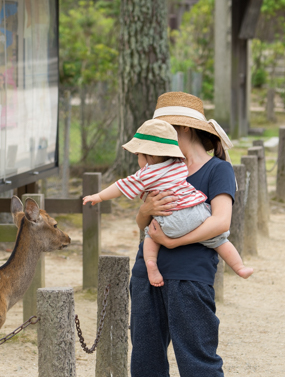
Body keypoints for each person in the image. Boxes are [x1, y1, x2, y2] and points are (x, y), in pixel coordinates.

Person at [122, 92, 238, 377]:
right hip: (147, 272)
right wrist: (146, 211)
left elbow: (221, 222)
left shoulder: (217, 170)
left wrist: (175, 241)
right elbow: (142, 223)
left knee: (197, 357)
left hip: (190, 277)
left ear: (185, 129)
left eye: (166, 127)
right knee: (145, 357)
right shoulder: (158, 166)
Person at [82, 119, 252, 286]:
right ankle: (239, 267)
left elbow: (120, 186)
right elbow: (141, 221)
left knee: (151, 235)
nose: (138, 161)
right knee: (221, 241)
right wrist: (145, 210)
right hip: (197, 213)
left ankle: (151, 264)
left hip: (172, 227)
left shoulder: (146, 174)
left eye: (138, 155)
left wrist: (99, 196)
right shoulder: (179, 165)